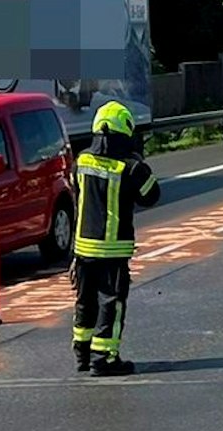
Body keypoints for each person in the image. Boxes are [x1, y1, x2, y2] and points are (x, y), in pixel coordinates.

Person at [70, 102, 163, 377]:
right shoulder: (130, 167)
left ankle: (82, 354)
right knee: (111, 301)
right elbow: (151, 196)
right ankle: (105, 358)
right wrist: (139, 163)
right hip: (112, 249)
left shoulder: (82, 161)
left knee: (85, 300)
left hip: (83, 247)